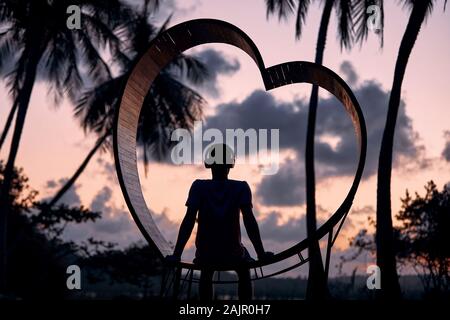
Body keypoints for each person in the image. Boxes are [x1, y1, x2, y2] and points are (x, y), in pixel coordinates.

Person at [166, 143, 273, 300]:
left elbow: (188, 221)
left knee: (206, 271)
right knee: (244, 270)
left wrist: (177, 254)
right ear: (231, 163)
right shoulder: (241, 188)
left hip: (206, 253)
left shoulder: (198, 187)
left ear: (208, 163)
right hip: (233, 253)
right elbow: (250, 222)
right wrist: (261, 254)